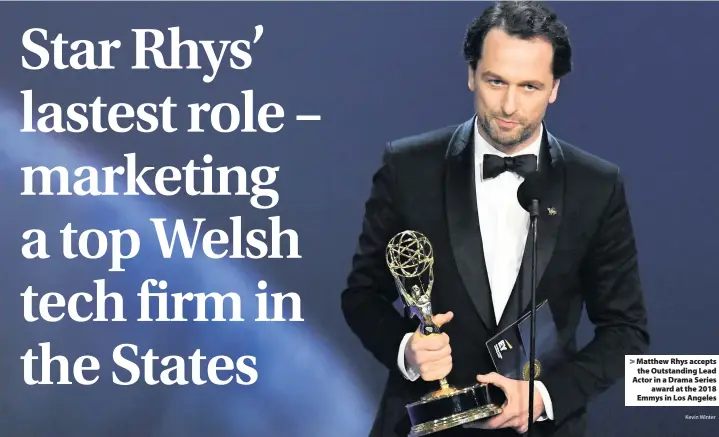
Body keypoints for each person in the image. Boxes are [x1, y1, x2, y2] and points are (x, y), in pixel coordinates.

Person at [340, 2, 650, 437]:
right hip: (426, 426)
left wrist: (543, 396)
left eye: (529, 87)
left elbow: (626, 331)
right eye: (495, 81)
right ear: (471, 74)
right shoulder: (408, 167)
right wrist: (407, 348)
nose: (508, 105)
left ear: (554, 87)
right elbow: (361, 295)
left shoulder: (596, 186)